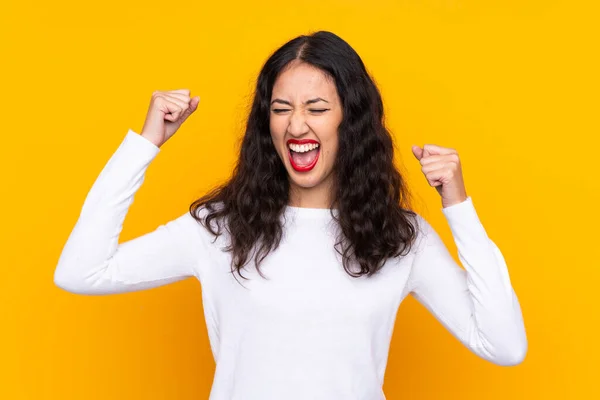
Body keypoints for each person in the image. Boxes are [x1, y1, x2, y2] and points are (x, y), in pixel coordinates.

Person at [54, 31, 527, 399]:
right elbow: (81, 271)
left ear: (351, 120)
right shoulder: (221, 227)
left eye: (317, 108)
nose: (296, 124)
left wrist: (458, 207)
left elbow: (504, 345)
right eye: (281, 109)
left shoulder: (399, 237)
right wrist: (144, 145)